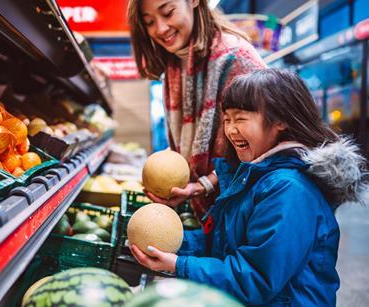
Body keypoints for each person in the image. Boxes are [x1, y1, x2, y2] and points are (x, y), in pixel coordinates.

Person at [130, 69, 369, 306]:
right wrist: (173, 246)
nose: (231, 130)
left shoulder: (289, 190)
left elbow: (256, 278)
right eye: (227, 120)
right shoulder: (254, 176)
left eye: (240, 119)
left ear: (280, 121)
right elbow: (223, 245)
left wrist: (178, 265)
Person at [127, 0, 266, 220]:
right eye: (150, 22)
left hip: (246, 214)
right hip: (210, 216)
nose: (161, 28)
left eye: (168, 12)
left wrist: (204, 185)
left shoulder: (235, 58)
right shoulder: (174, 64)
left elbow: (262, 151)